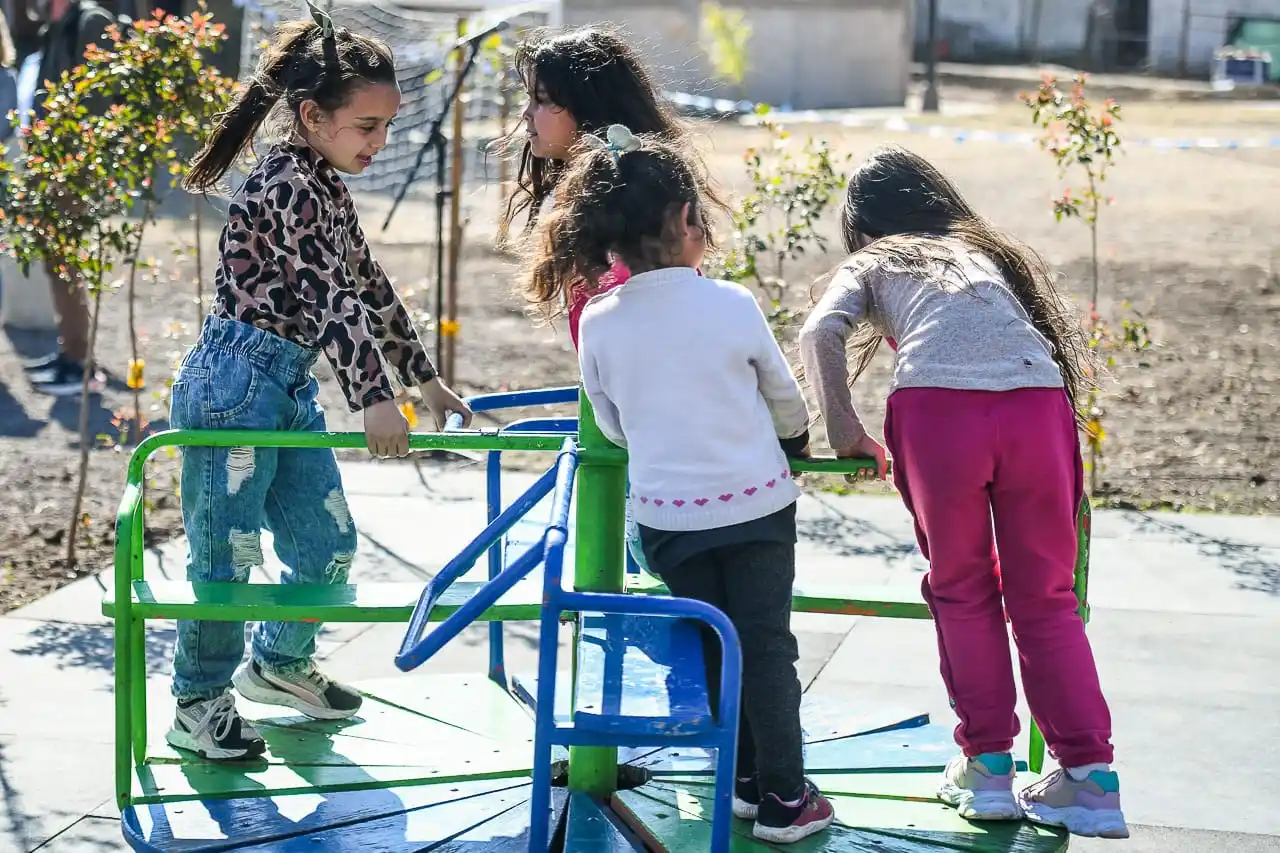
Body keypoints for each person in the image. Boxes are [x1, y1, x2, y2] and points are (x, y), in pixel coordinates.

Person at [165, 3, 472, 761]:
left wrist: (423, 382)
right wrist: (375, 397)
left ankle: (278, 662)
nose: (382, 142)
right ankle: (198, 703)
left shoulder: (324, 186)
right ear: (311, 116)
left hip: (286, 385)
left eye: (387, 126)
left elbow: (364, 283)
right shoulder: (289, 186)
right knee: (225, 554)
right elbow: (328, 299)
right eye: (368, 126)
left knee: (326, 541)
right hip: (234, 384)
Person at [798, 144, 1128, 840]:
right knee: (1046, 595)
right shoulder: (981, 253)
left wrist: (845, 429)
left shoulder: (875, 258)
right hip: (1036, 406)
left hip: (939, 409)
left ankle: (987, 767)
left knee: (961, 586)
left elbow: (819, 329)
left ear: (864, 225)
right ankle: (1091, 779)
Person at [529, 123, 834, 844]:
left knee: (715, 647)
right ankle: (786, 796)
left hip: (668, 519)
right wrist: (793, 442)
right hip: (757, 507)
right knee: (765, 646)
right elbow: (785, 398)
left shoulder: (599, 320)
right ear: (686, 223)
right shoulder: (731, 304)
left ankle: (744, 779)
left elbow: (609, 421)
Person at [500, 25, 727, 571]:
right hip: (647, 428)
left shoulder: (625, 206)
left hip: (661, 436)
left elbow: (654, 329)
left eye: (543, 101)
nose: (526, 116)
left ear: (589, 106)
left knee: (654, 563)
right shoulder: (599, 193)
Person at [21, 0, 116, 396]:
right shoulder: (54, 27)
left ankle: (78, 363)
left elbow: (98, 100)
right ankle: (71, 350)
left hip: (73, 169)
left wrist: (70, 163)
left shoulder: (91, 22)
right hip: (49, 165)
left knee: (65, 261)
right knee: (55, 261)